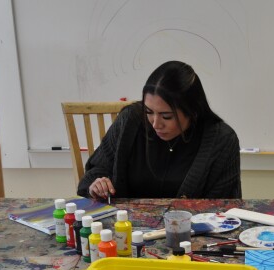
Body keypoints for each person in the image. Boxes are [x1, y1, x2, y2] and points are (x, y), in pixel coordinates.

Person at [78, 61, 242, 200]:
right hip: (126, 230)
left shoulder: (222, 140)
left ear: (193, 111)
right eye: (149, 112)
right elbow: (97, 169)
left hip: (190, 232)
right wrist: (97, 184)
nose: (155, 124)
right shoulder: (130, 121)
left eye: (167, 116)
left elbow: (224, 206)